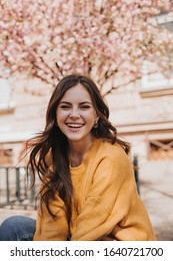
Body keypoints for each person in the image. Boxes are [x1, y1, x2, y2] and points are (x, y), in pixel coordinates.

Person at [0, 74, 156, 241]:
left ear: (97, 116)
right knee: (14, 226)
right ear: (56, 113)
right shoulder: (55, 156)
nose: (74, 114)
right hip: (77, 238)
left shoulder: (111, 158)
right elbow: (53, 221)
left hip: (118, 245)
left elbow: (91, 227)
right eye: (65, 106)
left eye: (84, 107)